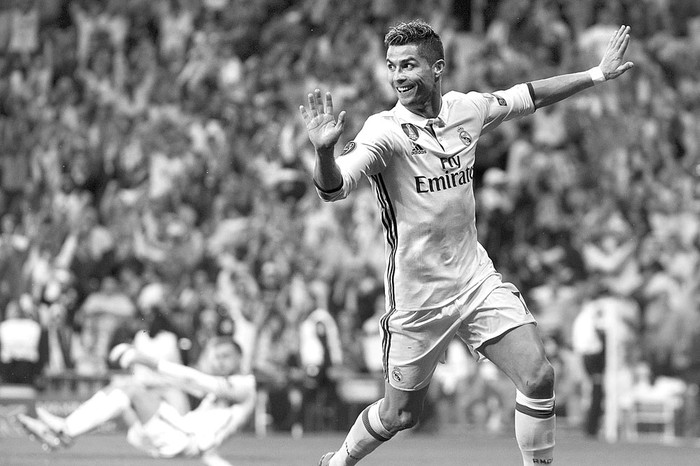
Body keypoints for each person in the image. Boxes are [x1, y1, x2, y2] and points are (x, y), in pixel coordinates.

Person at [299, 20, 634, 466]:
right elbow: (335, 188)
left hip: (475, 281)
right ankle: (340, 460)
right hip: (419, 299)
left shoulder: (467, 109)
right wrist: (324, 153)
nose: (398, 76)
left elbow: (529, 95)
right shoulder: (385, 131)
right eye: (392, 67)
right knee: (400, 415)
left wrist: (595, 74)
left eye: (409, 65)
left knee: (537, 376)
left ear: (438, 68)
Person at [17, 336, 256, 466]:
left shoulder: (246, 385)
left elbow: (199, 381)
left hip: (186, 441)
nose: (220, 362)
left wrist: (146, 360)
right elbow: (189, 383)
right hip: (180, 437)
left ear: (240, 358)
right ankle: (62, 432)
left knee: (129, 390)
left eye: (227, 356)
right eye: (217, 357)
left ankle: (64, 432)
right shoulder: (220, 388)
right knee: (122, 389)